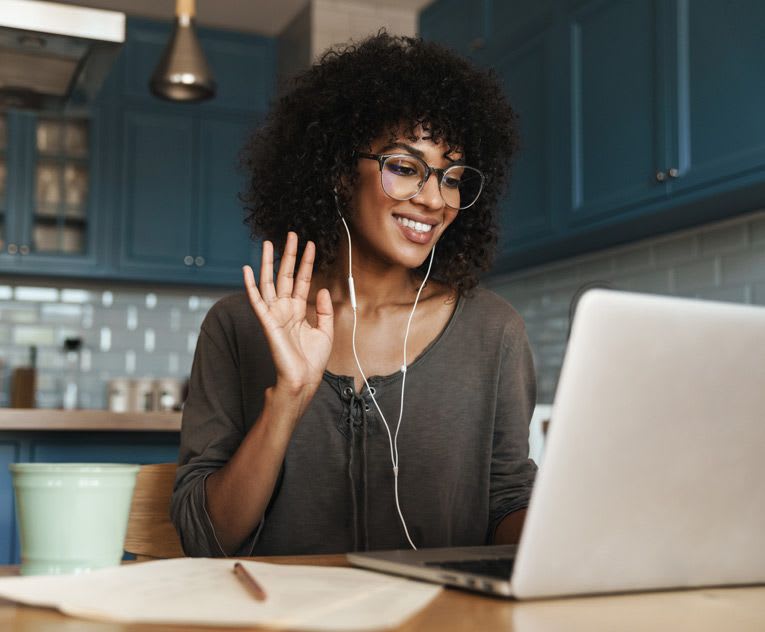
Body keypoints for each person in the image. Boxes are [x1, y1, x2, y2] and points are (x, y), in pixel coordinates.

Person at [170, 32, 537, 557]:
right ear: (341, 172)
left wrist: (574, 535)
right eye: (406, 168)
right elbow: (206, 538)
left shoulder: (493, 331)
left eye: (452, 177)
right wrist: (288, 401)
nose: (435, 199)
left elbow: (507, 503)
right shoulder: (239, 325)